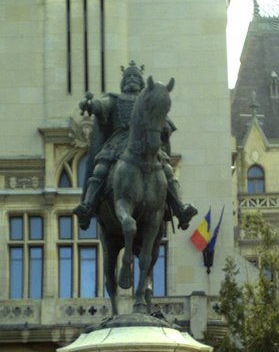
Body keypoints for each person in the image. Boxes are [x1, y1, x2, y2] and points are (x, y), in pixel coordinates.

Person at [74, 61, 197, 231]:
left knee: (167, 171)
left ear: (141, 82)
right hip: (117, 142)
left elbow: (159, 116)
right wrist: (91, 105)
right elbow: (102, 105)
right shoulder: (115, 99)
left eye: (135, 76)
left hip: (145, 143)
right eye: (128, 76)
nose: (131, 79)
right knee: (100, 170)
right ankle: (88, 205)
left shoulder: (147, 101)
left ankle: (180, 208)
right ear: (123, 82)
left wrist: (165, 126)